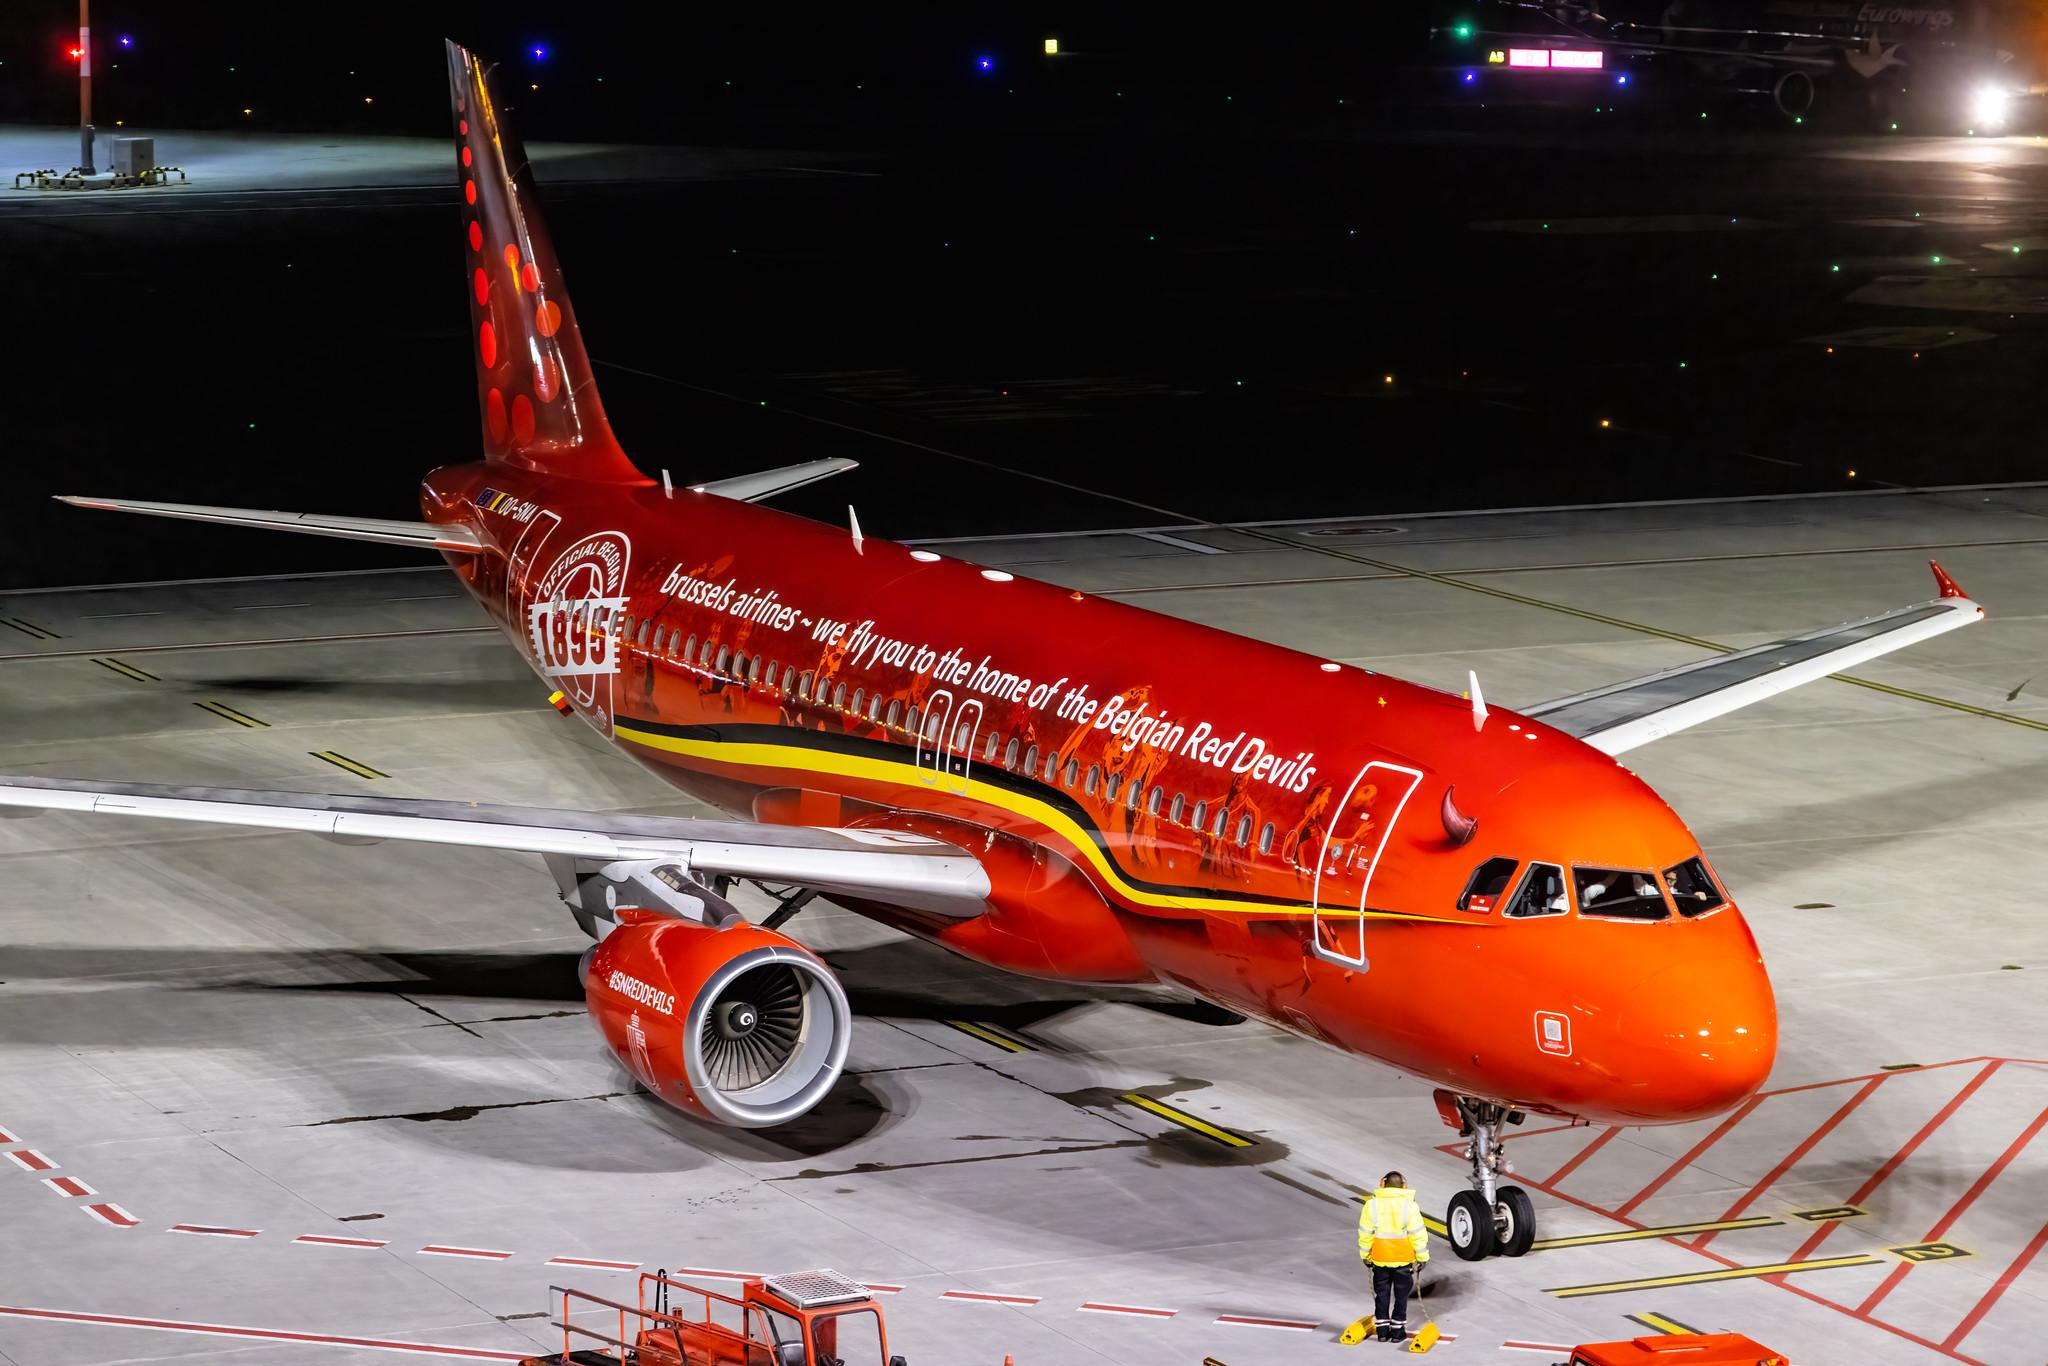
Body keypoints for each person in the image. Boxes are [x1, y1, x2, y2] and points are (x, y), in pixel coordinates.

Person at [1359, 1170, 1429, 1343]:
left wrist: (1365, 1254)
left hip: (1380, 1259)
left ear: (1382, 1184)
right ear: (1404, 1186)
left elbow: (1365, 1233)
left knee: (1381, 1294)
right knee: (1401, 1296)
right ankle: (1397, 1332)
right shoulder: (1409, 1206)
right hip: (1403, 1260)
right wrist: (1422, 1257)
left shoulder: (1372, 1205)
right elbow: (1417, 1234)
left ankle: (1382, 1331)